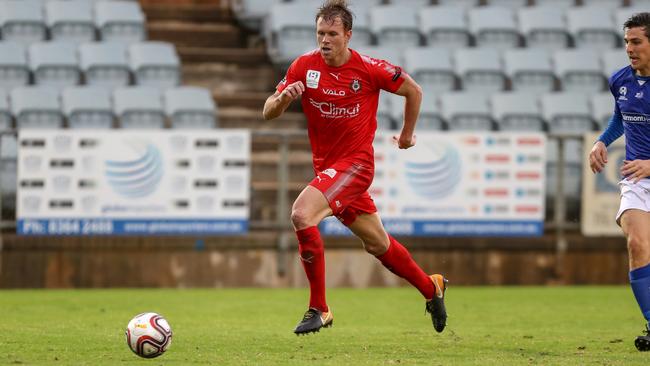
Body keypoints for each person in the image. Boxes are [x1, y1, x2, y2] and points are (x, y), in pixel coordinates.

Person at [262, 0, 447, 335]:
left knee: (302, 214)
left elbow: (413, 90)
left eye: (332, 33)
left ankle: (319, 308)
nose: (325, 40)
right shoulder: (304, 66)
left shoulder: (369, 68)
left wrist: (406, 136)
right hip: (330, 173)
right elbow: (268, 111)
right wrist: (283, 99)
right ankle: (430, 287)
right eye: (320, 33)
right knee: (378, 244)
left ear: (348, 35)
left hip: (356, 167)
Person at [589, 12, 650, 352]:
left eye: (637, 41)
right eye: (627, 41)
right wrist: (601, 141)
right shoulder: (620, 80)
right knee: (637, 244)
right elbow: (620, 117)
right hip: (636, 180)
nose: (629, 48)